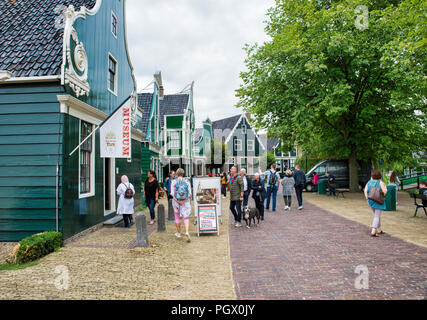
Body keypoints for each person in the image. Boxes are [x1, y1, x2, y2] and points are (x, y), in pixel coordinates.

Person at [364, 170, 388, 237]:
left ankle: (379, 229)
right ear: (379, 176)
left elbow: (365, 191)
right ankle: (373, 230)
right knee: (377, 216)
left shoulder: (369, 182)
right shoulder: (381, 183)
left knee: (376, 215)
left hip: (371, 201)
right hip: (378, 201)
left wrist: (367, 198)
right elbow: (385, 191)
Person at [171, 168, 192, 242]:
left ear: (176, 174)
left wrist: (177, 201)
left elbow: (172, 193)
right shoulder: (187, 181)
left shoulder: (174, 181)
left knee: (177, 216)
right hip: (185, 202)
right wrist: (184, 201)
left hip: (176, 202)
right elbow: (189, 193)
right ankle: (187, 231)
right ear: (183, 174)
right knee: (186, 217)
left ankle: (179, 233)